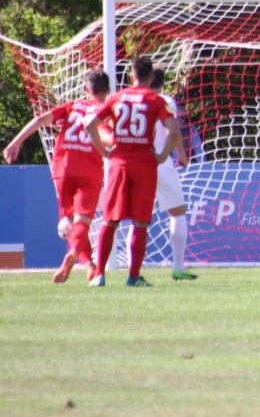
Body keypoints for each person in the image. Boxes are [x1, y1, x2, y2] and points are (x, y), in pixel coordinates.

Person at [3, 69, 111, 284]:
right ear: (107, 91)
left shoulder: (72, 107)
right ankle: (72, 256)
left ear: (85, 89)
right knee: (82, 221)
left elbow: (41, 119)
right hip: (89, 170)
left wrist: (15, 142)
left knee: (68, 223)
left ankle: (89, 265)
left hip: (62, 169)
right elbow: (107, 136)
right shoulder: (105, 111)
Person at [84, 56, 181, 288]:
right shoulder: (155, 99)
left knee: (110, 220)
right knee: (140, 222)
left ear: (131, 75)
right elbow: (174, 129)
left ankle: (99, 275)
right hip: (144, 163)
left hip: (119, 161)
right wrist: (164, 154)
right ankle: (133, 276)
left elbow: (90, 124)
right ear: (150, 77)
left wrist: (104, 152)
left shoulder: (117, 97)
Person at [146, 68, 196, 281]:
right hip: (163, 162)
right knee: (177, 213)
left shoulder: (137, 101)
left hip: (141, 163)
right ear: (162, 83)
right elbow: (173, 131)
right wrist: (182, 155)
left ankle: (132, 267)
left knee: (139, 219)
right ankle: (177, 266)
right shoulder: (166, 101)